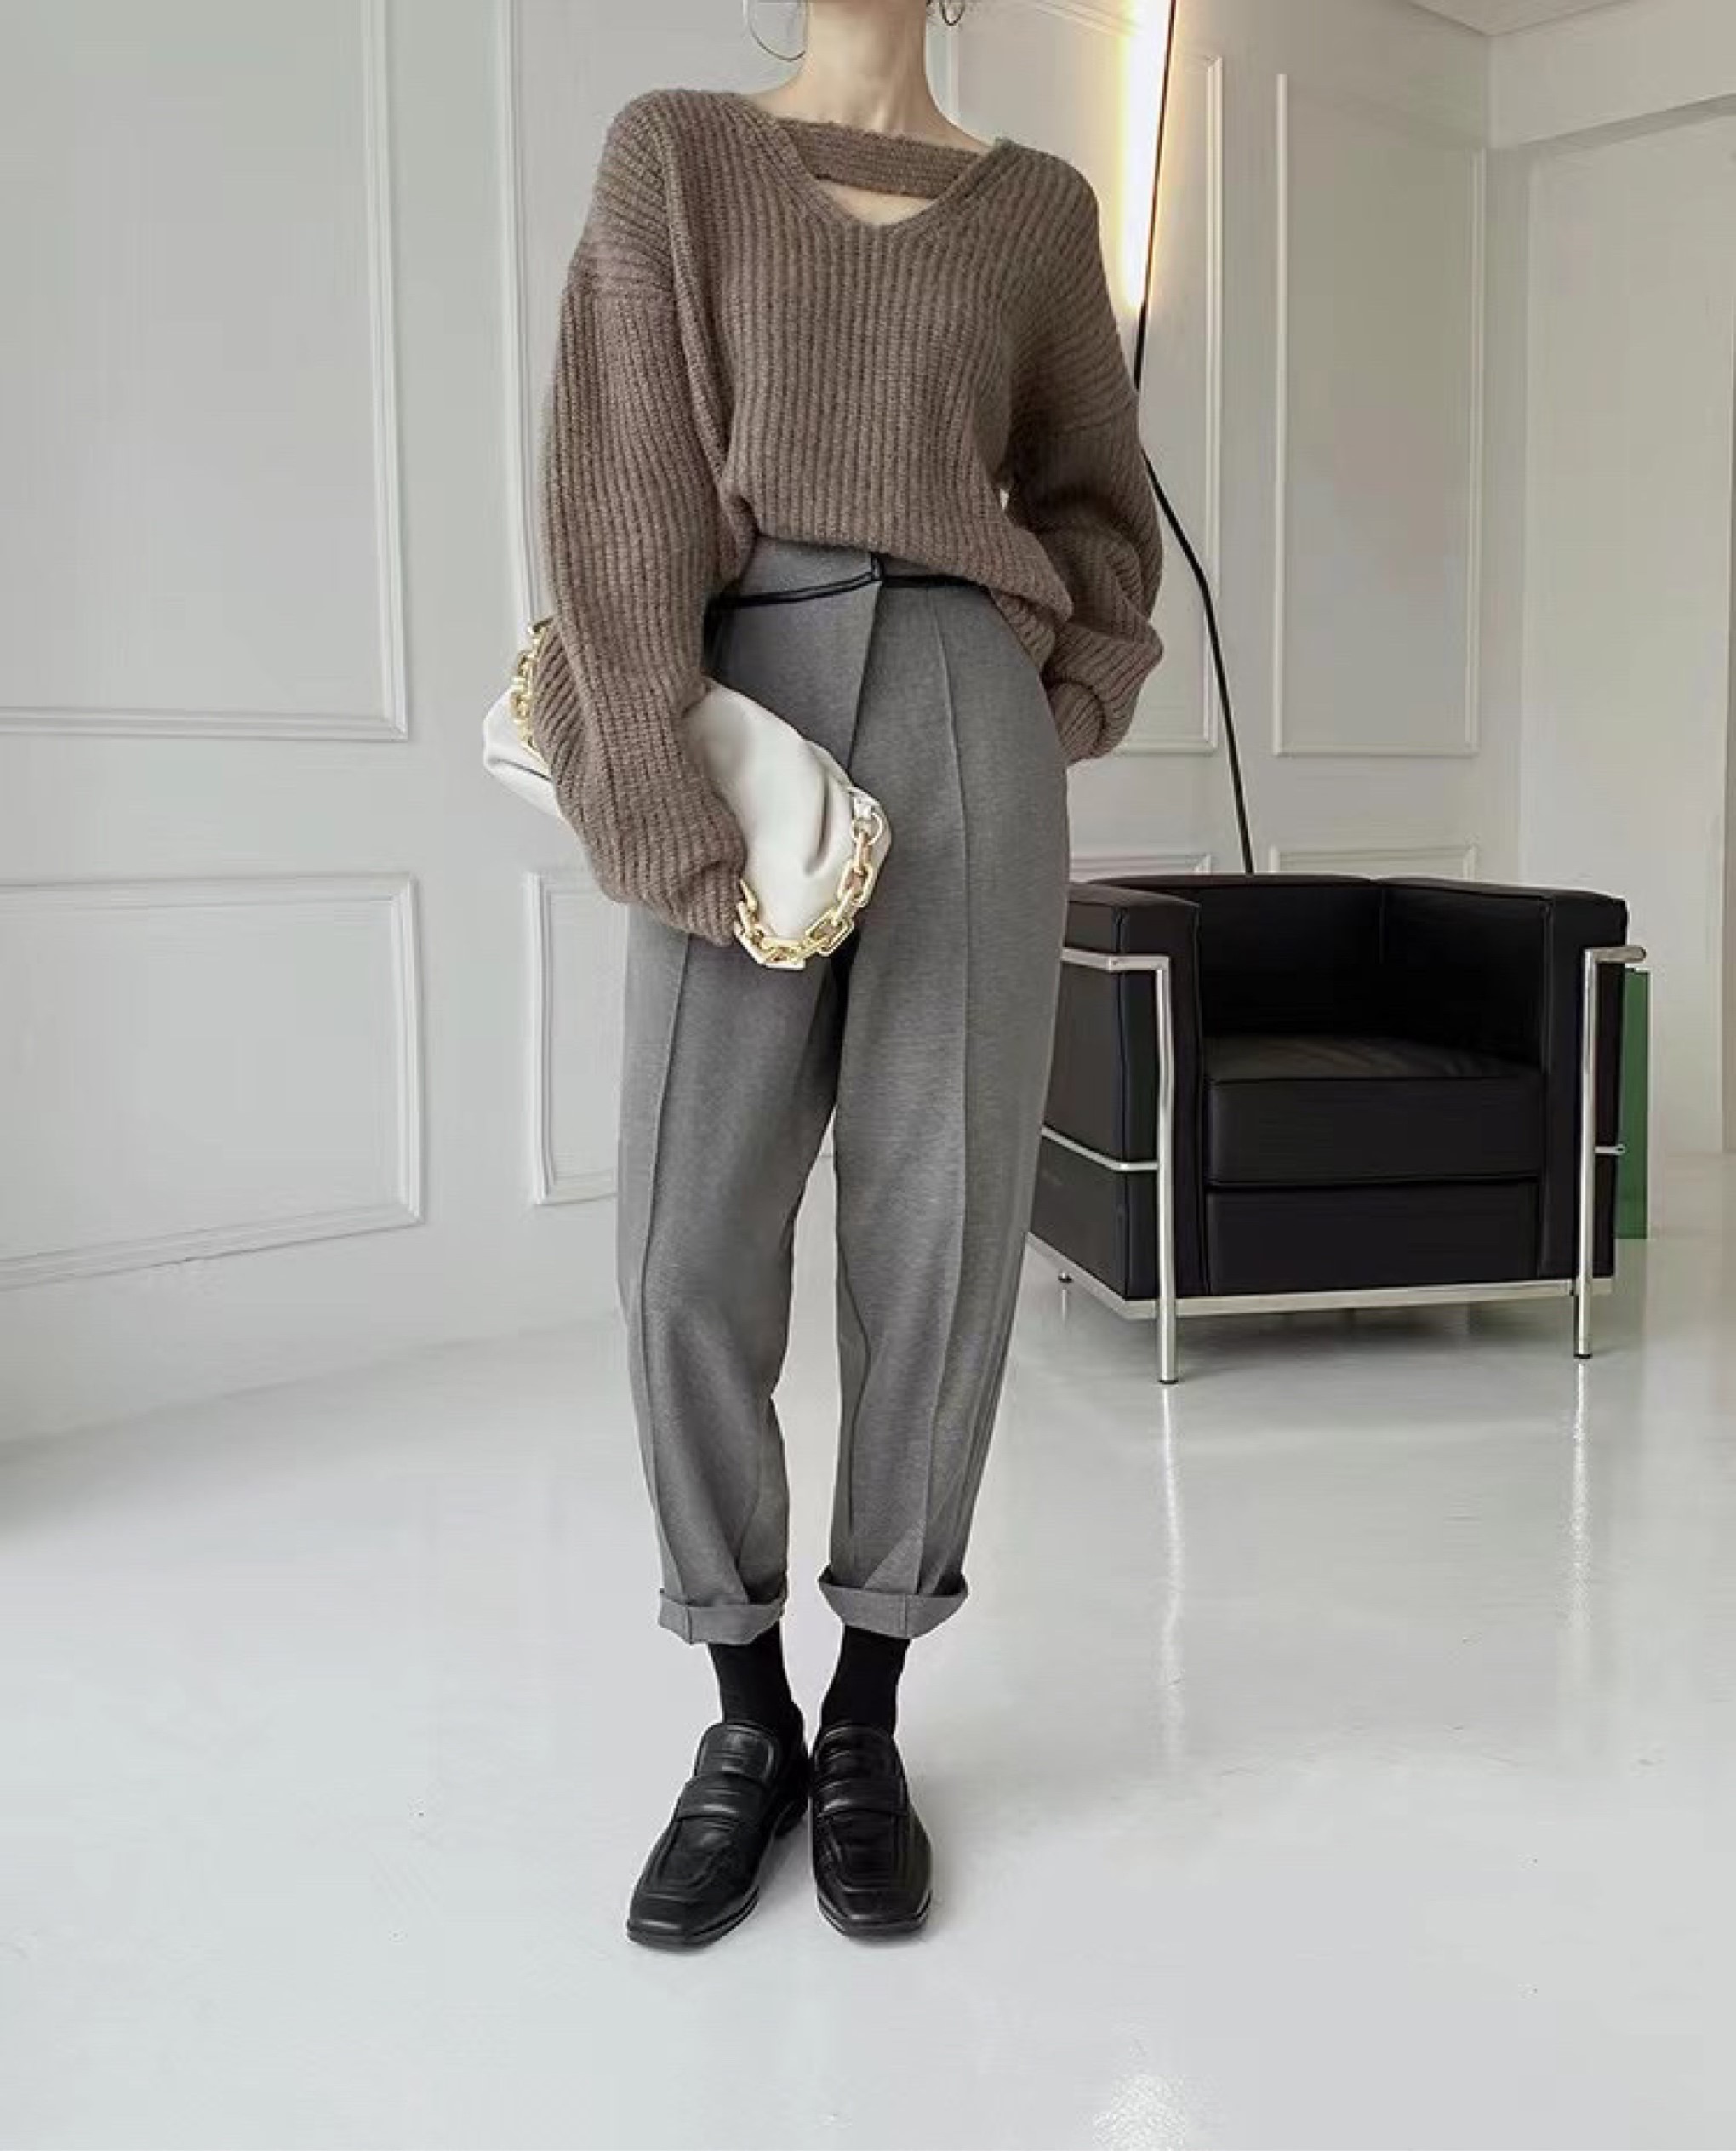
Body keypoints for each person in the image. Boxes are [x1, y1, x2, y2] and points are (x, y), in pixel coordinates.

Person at [534, 0, 1164, 1948]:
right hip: (742, 704)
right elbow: (619, 500)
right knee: (685, 1244)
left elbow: (1097, 503)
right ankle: (746, 1714)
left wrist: (1052, 703)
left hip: (969, 713)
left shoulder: (1039, 212)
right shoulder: (676, 155)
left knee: (942, 1233)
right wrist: (661, 806)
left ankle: (869, 1708)